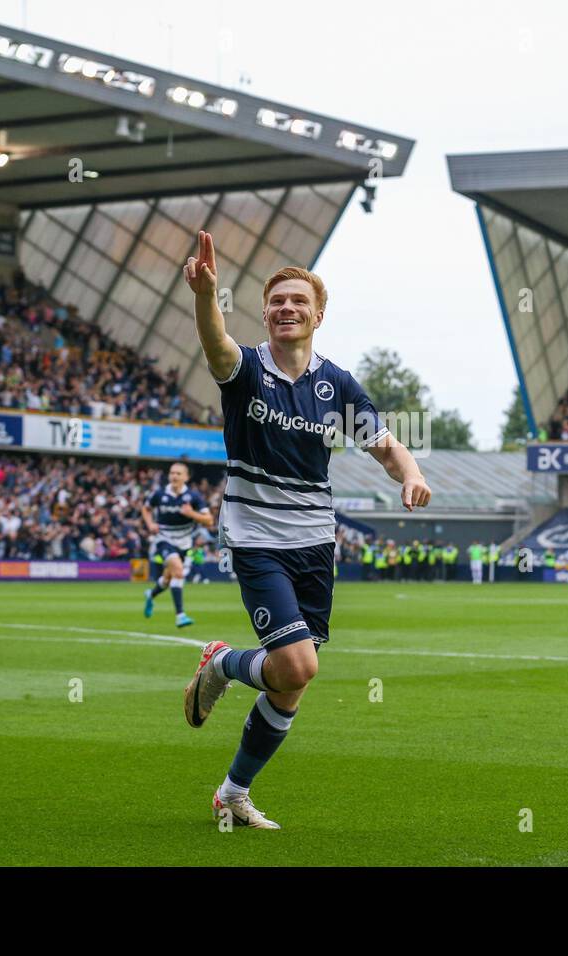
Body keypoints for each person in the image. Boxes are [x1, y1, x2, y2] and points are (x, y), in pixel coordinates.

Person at [179, 231, 431, 829]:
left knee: (290, 686)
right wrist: (206, 296)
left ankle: (232, 794)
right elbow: (215, 345)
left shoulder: (337, 384)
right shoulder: (245, 370)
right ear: (265, 314)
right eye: (276, 301)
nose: (286, 308)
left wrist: (412, 471)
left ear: (318, 314)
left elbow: (384, 444)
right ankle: (221, 664)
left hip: (315, 542)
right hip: (257, 537)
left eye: (298, 301)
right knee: (298, 666)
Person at [142, 461, 212, 628]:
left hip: (184, 542)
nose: (174, 476)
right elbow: (146, 509)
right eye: (172, 473)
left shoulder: (194, 497)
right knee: (178, 571)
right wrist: (150, 524)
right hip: (164, 539)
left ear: (186, 477)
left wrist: (191, 513)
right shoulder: (159, 494)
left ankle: (150, 595)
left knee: (167, 579)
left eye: (178, 473)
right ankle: (180, 615)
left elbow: (208, 521)